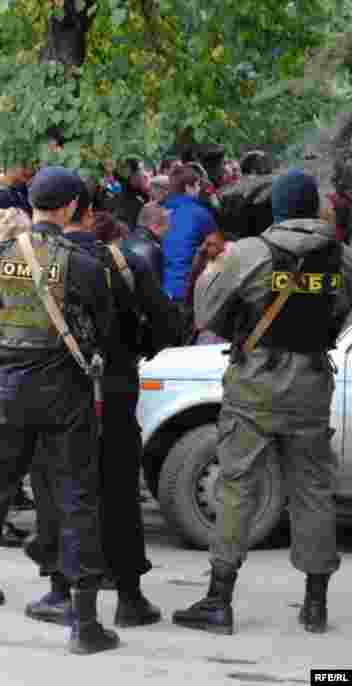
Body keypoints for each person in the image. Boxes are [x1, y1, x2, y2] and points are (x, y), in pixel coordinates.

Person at [0, 167, 119, 655]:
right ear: (74, 207)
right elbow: (105, 329)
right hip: (64, 393)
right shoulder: (82, 264)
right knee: (77, 498)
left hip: (5, 390)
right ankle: (84, 624)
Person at [173, 169, 351, 636]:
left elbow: (207, 312)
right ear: (313, 208)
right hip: (312, 384)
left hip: (255, 385)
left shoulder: (251, 254)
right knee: (313, 490)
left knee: (237, 488)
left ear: (275, 209)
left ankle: (218, 601)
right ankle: (315, 606)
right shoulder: (341, 257)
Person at [24, 178, 183, 631]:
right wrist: (133, 348)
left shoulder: (28, 261)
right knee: (116, 490)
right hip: (112, 389)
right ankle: (129, 596)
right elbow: (169, 326)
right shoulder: (121, 261)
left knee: (57, 488)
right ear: (87, 211)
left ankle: (60, 590)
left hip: (51, 389)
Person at [162, 164, 221, 300]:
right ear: (188, 187)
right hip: (191, 288)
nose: (200, 189)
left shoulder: (161, 212)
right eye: (197, 185)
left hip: (166, 288)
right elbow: (217, 250)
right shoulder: (200, 213)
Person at [122, 203, 171, 287]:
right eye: (167, 226)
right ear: (156, 226)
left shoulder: (124, 242)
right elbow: (155, 291)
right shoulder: (153, 250)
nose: (168, 231)